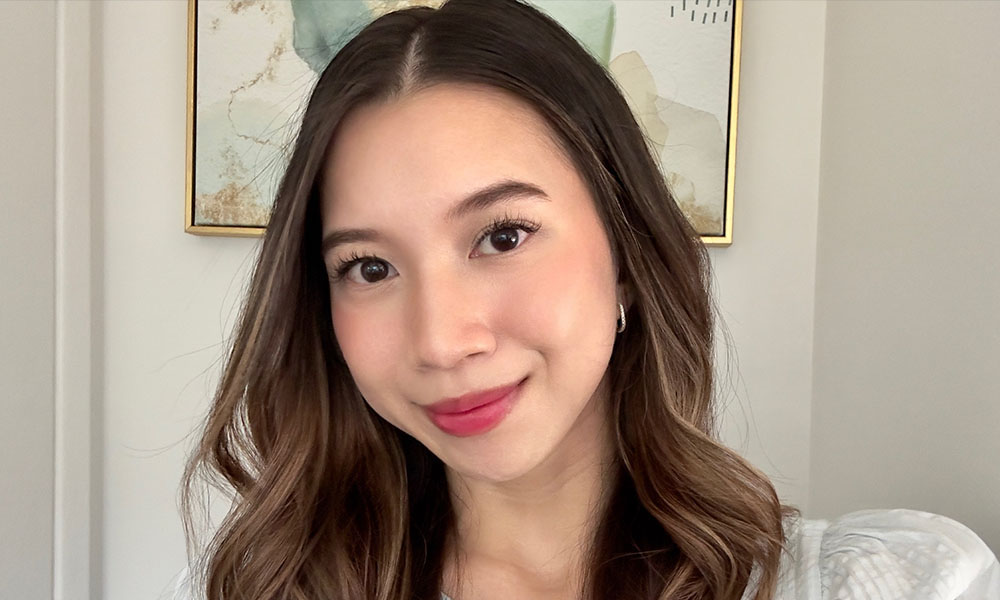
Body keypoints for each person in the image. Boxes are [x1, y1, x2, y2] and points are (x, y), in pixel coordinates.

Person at [177, 1, 1000, 599]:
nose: (440, 340)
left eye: (502, 236)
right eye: (369, 268)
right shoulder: (271, 586)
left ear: (627, 256)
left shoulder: (890, 584)